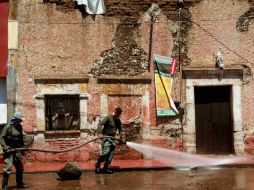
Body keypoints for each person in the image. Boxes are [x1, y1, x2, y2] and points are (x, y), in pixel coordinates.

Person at [0, 113, 28, 189]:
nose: (20, 122)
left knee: (20, 168)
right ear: (16, 120)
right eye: (19, 120)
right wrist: (5, 147)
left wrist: (22, 149)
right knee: (8, 168)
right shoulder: (8, 127)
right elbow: (1, 138)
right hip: (9, 150)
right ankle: (4, 186)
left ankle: (20, 184)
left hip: (17, 150)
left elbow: (21, 138)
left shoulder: (19, 127)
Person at [95, 107, 124, 174]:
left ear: (120, 114)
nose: (117, 115)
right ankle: (97, 166)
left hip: (112, 139)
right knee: (105, 152)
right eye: (116, 113)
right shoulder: (108, 117)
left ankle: (105, 168)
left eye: (118, 114)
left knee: (111, 155)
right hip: (106, 138)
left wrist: (121, 136)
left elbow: (120, 129)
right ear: (115, 112)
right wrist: (99, 132)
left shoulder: (118, 120)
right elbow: (100, 124)